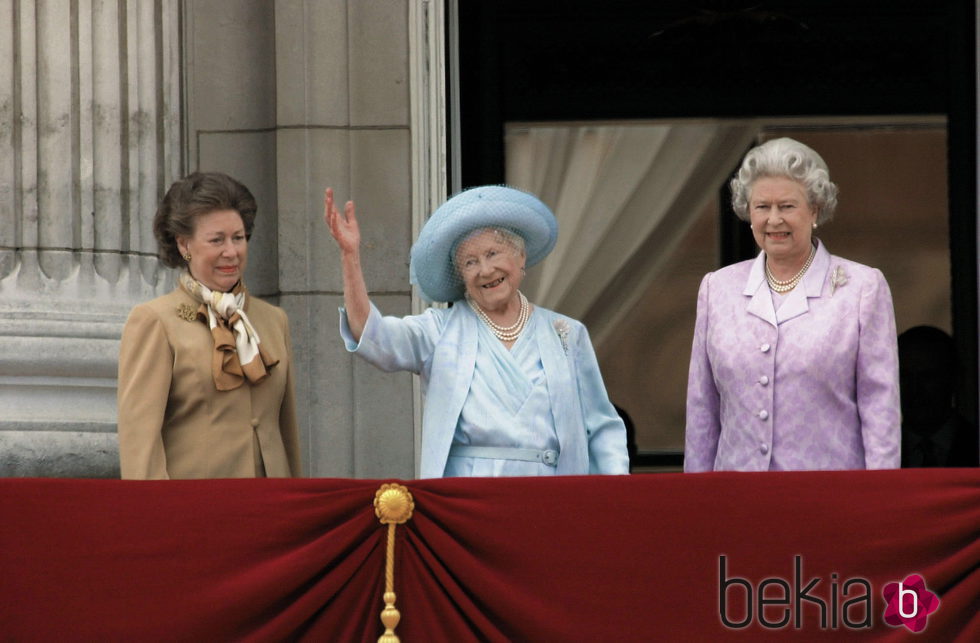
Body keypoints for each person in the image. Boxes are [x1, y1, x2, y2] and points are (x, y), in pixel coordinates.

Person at [324, 184, 629, 477]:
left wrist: (615, 496)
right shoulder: (438, 331)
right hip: (467, 499)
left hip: (550, 499)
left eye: (493, 254)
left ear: (520, 257)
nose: (485, 270)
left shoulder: (566, 333)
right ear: (461, 276)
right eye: (470, 262)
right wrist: (350, 258)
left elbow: (601, 427)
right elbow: (375, 338)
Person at [684, 137, 900, 471]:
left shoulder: (861, 288)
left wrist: (881, 502)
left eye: (787, 206)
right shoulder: (718, 289)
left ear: (814, 209)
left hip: (829, 500)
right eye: (762, 207)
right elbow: (702, 408)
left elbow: (879, 406)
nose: (774, 220)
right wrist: (695, 501)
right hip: (736, 502)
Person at [117, 172, 300, 479]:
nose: (231, 252)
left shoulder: (273, 320)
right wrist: (154, 519)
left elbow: (286, 431)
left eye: (238, 238)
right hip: (194, 512)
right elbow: (140, 445)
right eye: (217, 240)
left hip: (271, 507)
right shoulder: (155, 321)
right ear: (184, 244)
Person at [898, 325, 978, 468]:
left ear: (954, 379)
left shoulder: (974, 446)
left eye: (928, 376)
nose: (915, 389)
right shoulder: (874, 455)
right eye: (905, 377)